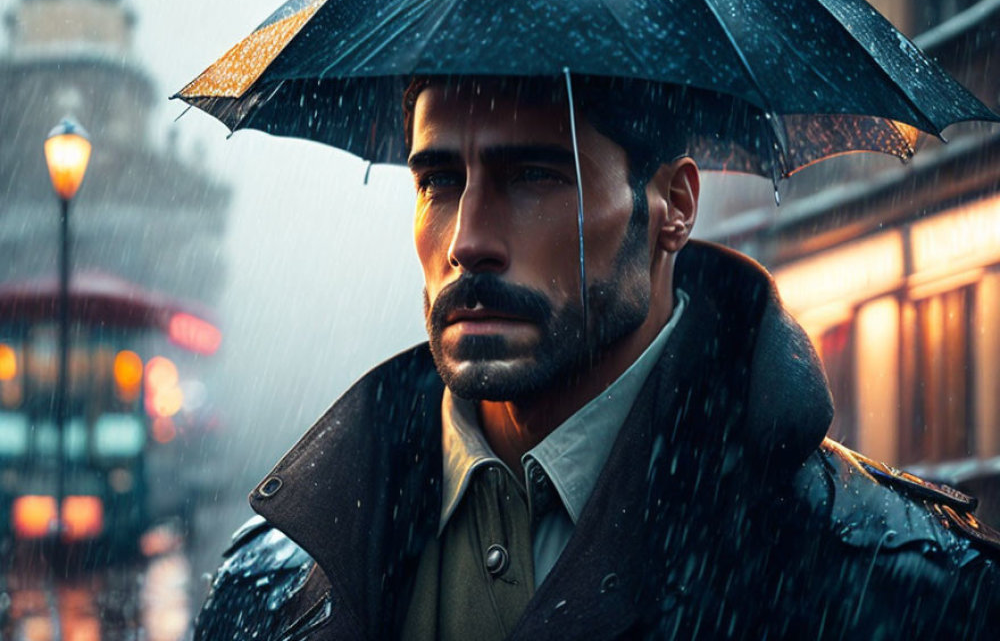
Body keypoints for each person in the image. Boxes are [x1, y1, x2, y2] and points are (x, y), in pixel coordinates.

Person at [194, 76, 1000, 640]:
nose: (468, 239)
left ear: (674, 207)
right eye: (439, 180)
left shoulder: (900, 585)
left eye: (535, 175)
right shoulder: (272, 586)